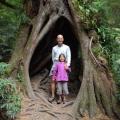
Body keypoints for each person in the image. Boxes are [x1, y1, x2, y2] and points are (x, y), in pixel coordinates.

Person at [48, 34, 71, 103]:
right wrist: (55, 66)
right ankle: (52, 96)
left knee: (62, 81)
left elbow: (69, 57)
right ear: (57, 40)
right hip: (55, 65)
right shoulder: (54, 48)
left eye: (61, 38)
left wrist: (67, 65)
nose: (60, 39)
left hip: (63, 66)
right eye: (58, 38)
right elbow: (53, 58)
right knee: (53, 80)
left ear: (63, 39)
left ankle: (62, 97)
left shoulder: (67, 47)